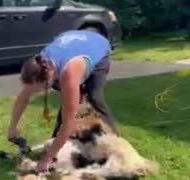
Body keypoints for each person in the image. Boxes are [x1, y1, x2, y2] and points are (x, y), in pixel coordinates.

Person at [7, 30, 118, 172]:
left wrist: (46, 160)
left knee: (94, 97)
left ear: (48, 78)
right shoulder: (38, 65)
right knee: (70, 103)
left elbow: (68, 124)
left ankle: (114, 142)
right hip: (73, 43)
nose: (35, 92)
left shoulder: (69, 74)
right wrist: (12, 128)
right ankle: (59, 145)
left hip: (97, 46)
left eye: (38, 89)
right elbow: (23, 96)